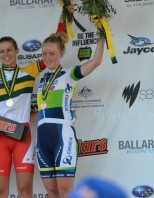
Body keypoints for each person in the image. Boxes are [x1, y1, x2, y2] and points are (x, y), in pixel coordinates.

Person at [35, 31, 105, 198]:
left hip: (62, 135)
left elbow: (96, 62)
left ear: (62, 53)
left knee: (66, 192)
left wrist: (103, 35)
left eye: (52, 53)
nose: (47, 57)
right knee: (51, 192)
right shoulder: (42, 79)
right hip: (42, 138)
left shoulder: (69, 74)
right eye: (44, 53)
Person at [0, 36, 46, 197]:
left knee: (25, 190)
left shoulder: (29, 72)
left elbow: (50, 54)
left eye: (9, 49)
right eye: (2, 51)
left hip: (22, 135)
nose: (6, 54)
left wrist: (63, 24)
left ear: (16, 51)